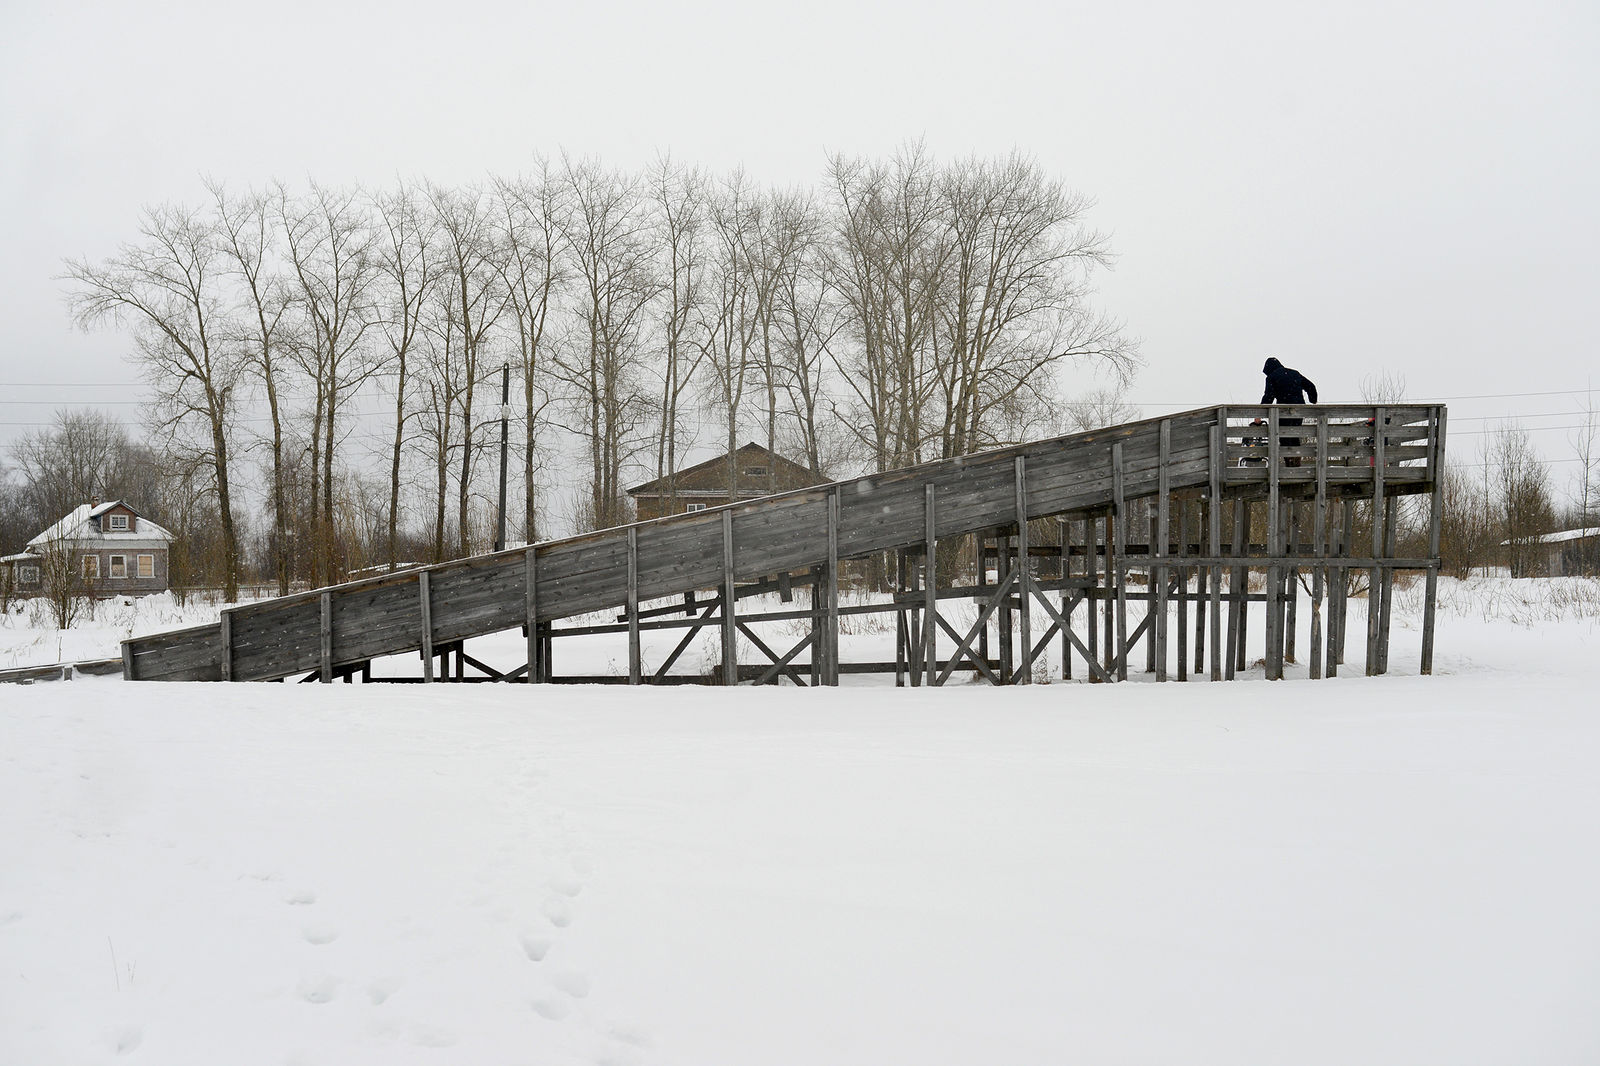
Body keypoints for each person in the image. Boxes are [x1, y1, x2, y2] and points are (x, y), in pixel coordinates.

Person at [1260, 357, 1318, 463]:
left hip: (1283, 410)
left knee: (1284, 436)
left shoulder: (1271, 377)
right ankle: (1296, 461)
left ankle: (1289, 463)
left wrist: (1261, 410)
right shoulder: (1294, 373)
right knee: (1295, 434)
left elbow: (1269, 396)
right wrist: (1313, 399)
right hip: (1299, 410)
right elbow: (1310, 386)